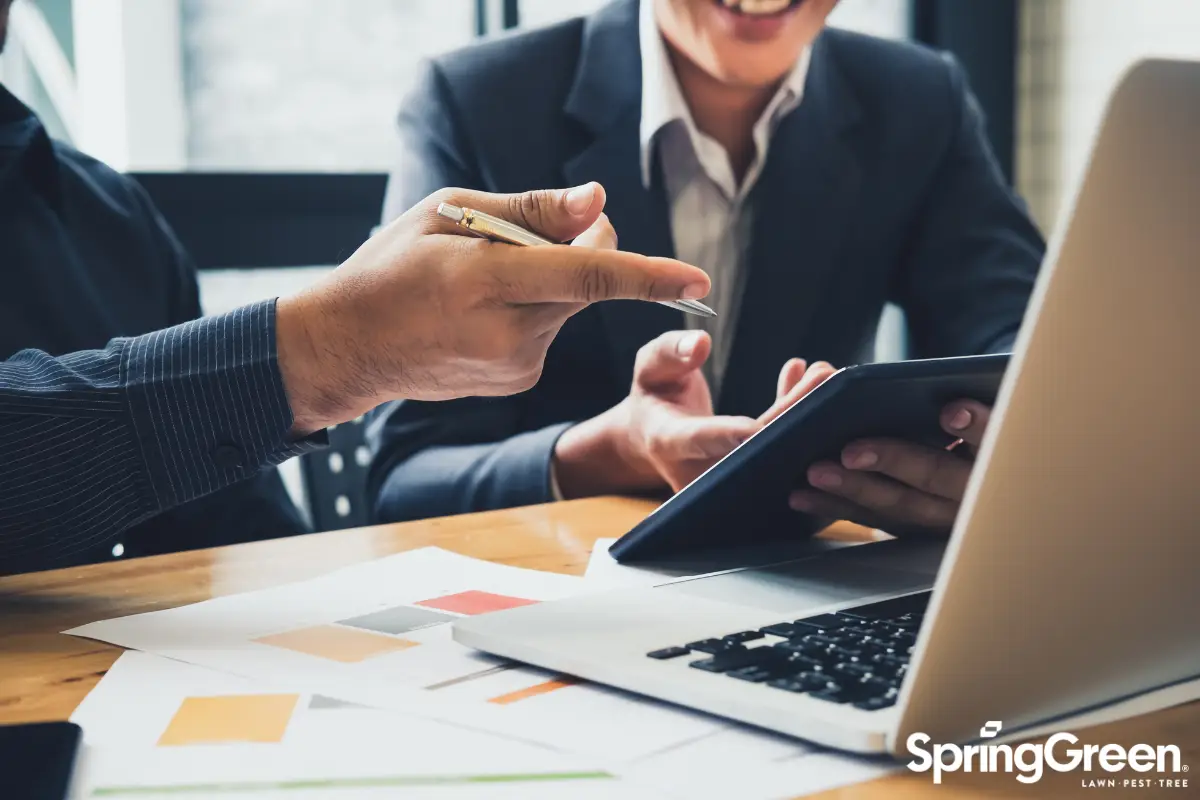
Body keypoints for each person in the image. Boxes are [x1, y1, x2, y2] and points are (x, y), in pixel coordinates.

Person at [368, 0, 1045, 536]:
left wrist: (980, 447)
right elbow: (403, 478)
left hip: (814, 580)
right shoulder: (478, 101)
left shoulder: (920, 101)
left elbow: (1025, 345)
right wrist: (609, 453)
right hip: (550, 599)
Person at [0, 155, 708, 575]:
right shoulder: (484, 93)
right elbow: (403, 478)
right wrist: (319, 352)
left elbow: (235, 535)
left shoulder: (109, 215)